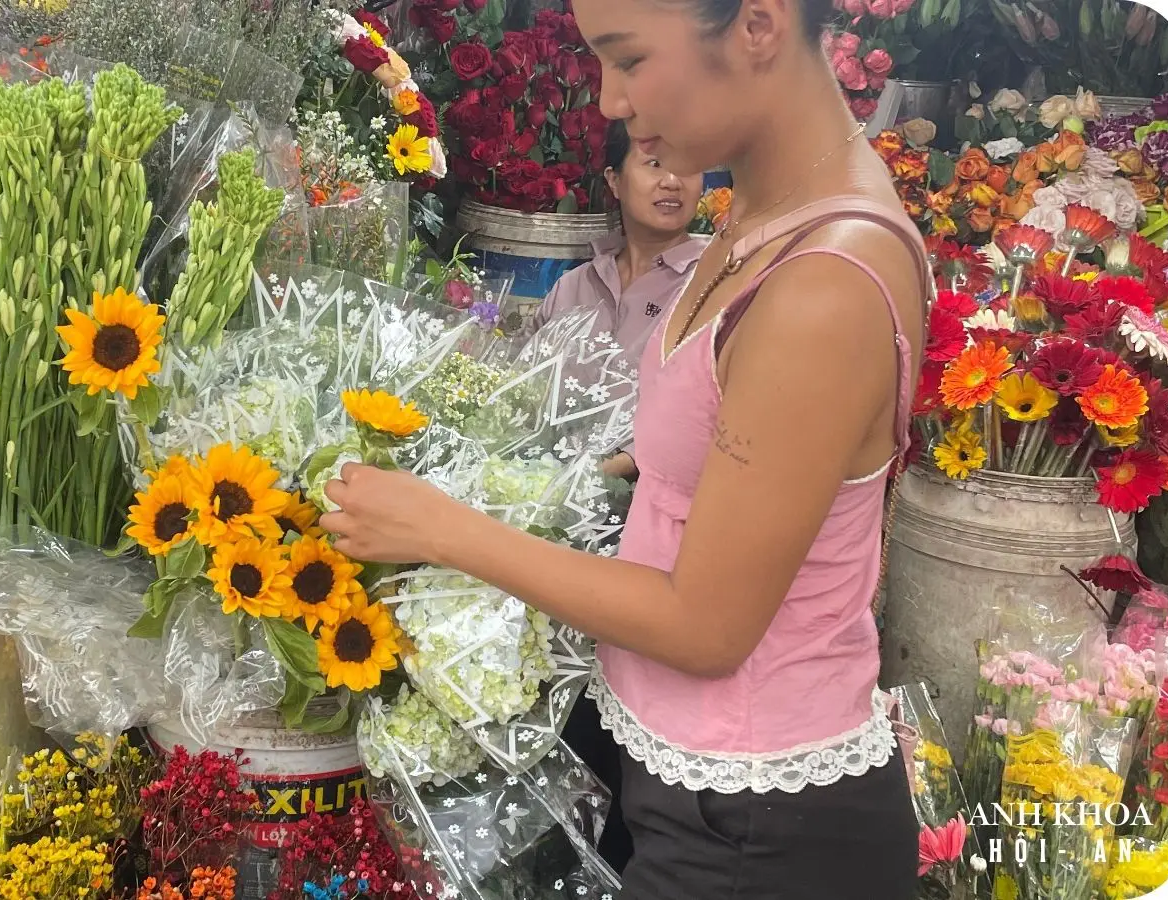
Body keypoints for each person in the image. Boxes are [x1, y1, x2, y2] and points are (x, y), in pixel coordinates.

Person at [317, 0, 930, 894]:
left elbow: (707, 625)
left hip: (754, 828)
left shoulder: (822, 284)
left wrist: (444, 530)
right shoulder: (767, 215)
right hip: (693, 789)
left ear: (757, 25)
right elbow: (728, 455)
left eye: (628, 58)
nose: (608, 100)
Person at [526, 121, 708, 482]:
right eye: (655, 163)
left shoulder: (712, 284)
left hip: (651, 507)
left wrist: (611, 469)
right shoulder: (573, 286)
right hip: (539, 488)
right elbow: (519, 387)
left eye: (688, 164)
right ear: (614, 180)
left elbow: (716, 410)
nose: (673, 180)